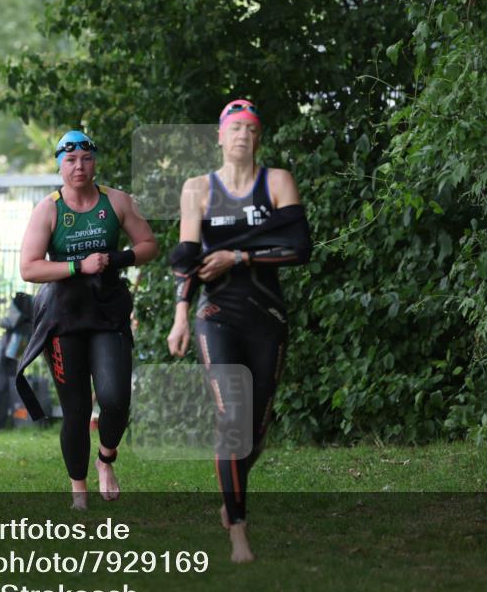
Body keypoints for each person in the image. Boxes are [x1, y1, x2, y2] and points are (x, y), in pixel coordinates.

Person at [166, 100, 311, 562]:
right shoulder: (197, 189)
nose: (242, 136)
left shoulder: (278, 182)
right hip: (217, 315)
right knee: (231, 420)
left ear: (258, 137)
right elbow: (188, 258)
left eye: (250, 128)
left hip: (267, 316)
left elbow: (299, 247)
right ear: (219, 137)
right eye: (234, 129)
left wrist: (240, 256)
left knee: (255, 429)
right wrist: (181, 313)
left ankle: (232, 487)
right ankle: (238, 531)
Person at [17, 130, 158, 510]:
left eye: (86, 159)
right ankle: (78, 487)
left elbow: (149, 245)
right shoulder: (49, 209)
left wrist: (115, 259)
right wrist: (79, 265)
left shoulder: (116, 201)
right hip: (63, 317)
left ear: (95, 162)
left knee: (115, 399)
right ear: (60, 165)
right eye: (70, 160)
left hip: (107, 311)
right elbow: (28, 268)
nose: (79, 167)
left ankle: (106, 459)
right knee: (76, 410)